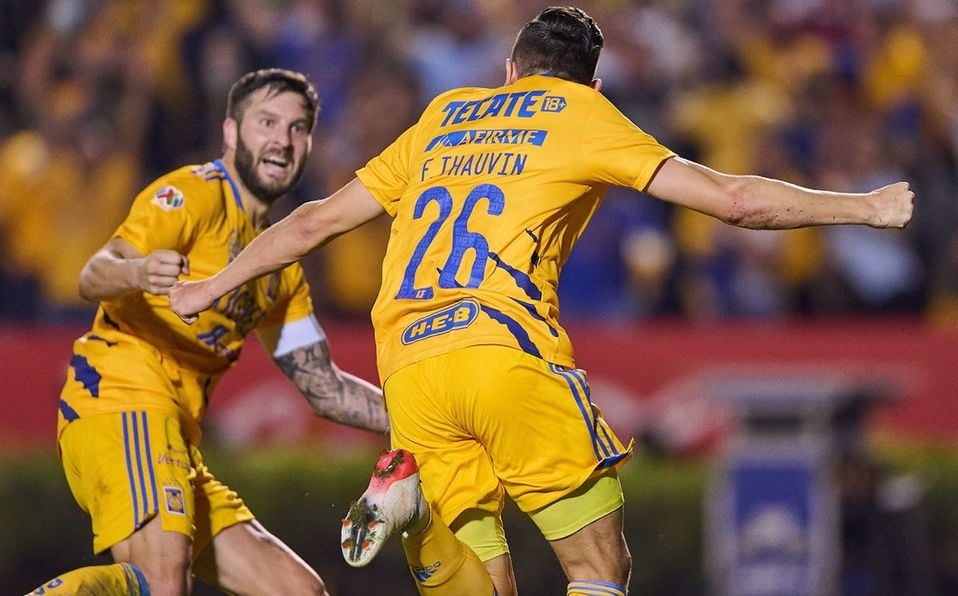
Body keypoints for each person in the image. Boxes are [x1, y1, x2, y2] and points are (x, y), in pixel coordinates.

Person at [170, 7, 915, 596]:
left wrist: (209, 285)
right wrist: (867, 207)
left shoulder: (445, 116)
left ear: (508, 70)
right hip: (501, 349)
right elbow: (732, 202)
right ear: (592, 86)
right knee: (598, 568)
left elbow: (315, 221)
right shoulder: (580, 114)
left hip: (408, 370)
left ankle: (419, 514)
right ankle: (420, 511)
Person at [29, 68, 389, 596]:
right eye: (267, 122)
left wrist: (420, 415)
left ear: (309, 143)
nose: (281, 140)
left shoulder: (281, 269)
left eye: (296, 128)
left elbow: (323, 388)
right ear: (230, 132)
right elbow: (93, 273)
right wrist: (136, 272)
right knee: (163, 582)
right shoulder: (192, 195)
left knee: (300, 592)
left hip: (174, 439)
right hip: (122, 400)